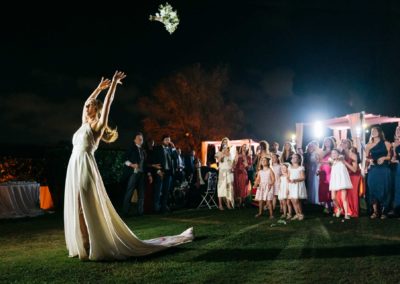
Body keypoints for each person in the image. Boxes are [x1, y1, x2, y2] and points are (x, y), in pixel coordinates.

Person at [64, 72, 193, 261]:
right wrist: (98, 89)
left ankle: (90, 244)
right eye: (87, 105)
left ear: (95, 110)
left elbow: (107, 105)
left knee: (84, 204)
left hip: (85, 166)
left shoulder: (97, 126)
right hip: (73, 165)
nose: (87, 105)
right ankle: (84, 244)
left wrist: (114, 85)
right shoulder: (84, 121)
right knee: (76, 205)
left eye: (90, 105)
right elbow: (87, 100)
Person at [121, 132, 152, 217]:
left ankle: (140, 212)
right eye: (138, 138)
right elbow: (124, 159)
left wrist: (149, 174)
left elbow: (146, 164)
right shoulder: (131, 148)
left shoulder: (143, 150)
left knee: (141, 193)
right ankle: (125, 212)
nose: (140, 140)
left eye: (141, 139)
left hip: (142, 174)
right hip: (133, 174)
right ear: (134, 140)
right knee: (129, 192)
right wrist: (131, 164)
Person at [365, 126, 392, 219]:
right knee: (372, 189)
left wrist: (384, 158)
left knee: (385, 189)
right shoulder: (368, 145)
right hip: (373, 169)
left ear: (380, 132)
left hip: (384, 169)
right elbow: (366, 158)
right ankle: (375, 211)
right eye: (372, 131)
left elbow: (390, 157)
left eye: (375, 130)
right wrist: (368, 163)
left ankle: (384, 211)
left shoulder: (387, 143)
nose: (373, 132)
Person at [152, 135, 177, 213]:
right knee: (158, 190)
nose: (168, 141)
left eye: (169, 140)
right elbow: (154, 160)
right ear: (162, 141)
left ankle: (163, 207)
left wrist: (173, 148)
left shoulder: (170, 149)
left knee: (166, 191)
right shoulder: (157, 149)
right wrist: (158, 171)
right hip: (160, 172)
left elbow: (175, 157)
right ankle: (156, 208)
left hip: (168, 172)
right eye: (166, 140)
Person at [329, 149, 352, 219]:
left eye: (335, 153)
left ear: (338, 153)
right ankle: (339, 208)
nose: (333, 154)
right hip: (335, 180)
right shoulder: (331, 161)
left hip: (342, 180)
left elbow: (340, 157)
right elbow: (327, 162)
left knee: (343, 198)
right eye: (332, 153)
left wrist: (337, 157)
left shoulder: (341, 158)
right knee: (333, 197)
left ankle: (346, 213)